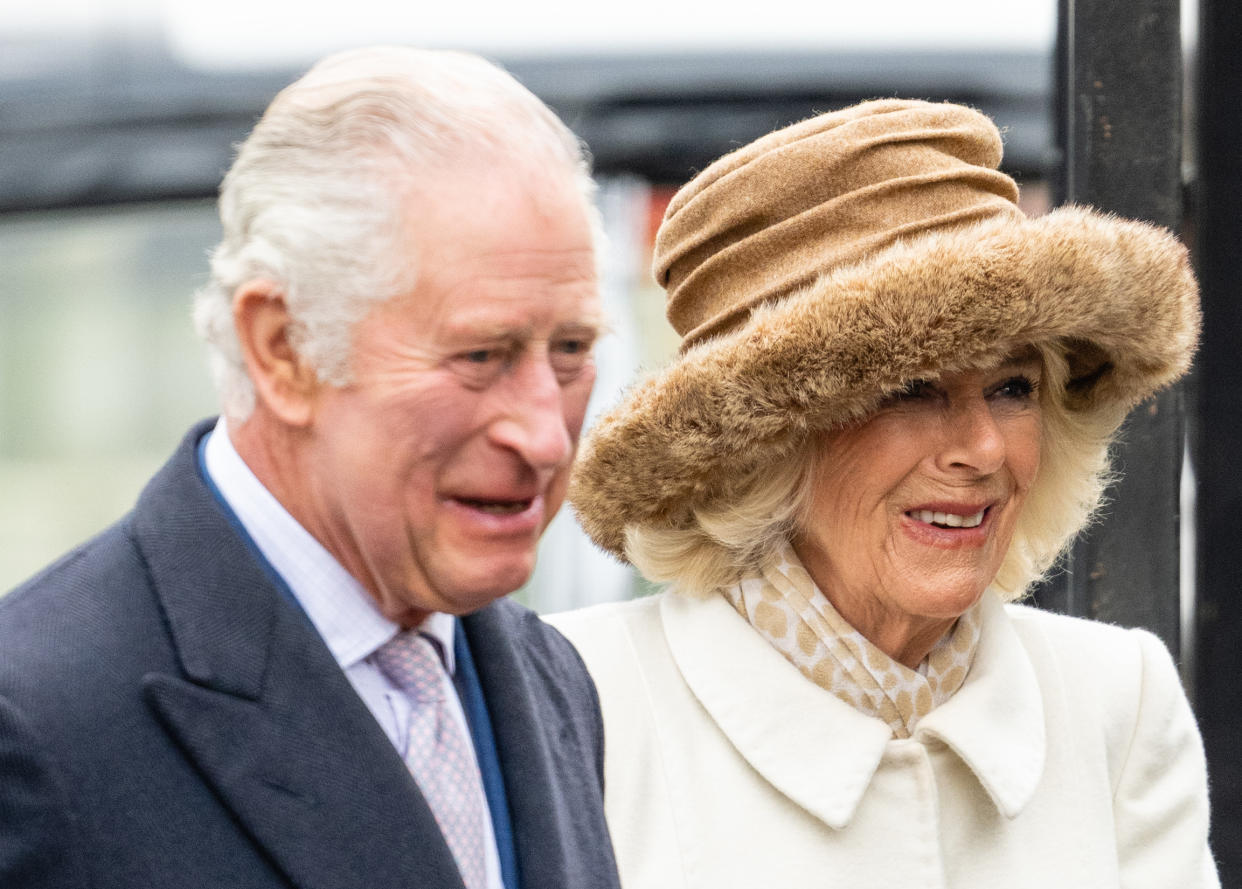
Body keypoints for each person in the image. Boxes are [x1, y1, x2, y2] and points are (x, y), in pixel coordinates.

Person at [551, 99, 1218, 888]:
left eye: (1012, 386)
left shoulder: (1116, 698)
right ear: (765, 445)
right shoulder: (580, 698)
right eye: (909, 390)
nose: (982, 447)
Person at [0, 46, 620, 889]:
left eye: (573, 350)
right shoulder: (39, 724)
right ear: (282, 348)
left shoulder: (546, 680)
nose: (546, 436)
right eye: (481, 354)